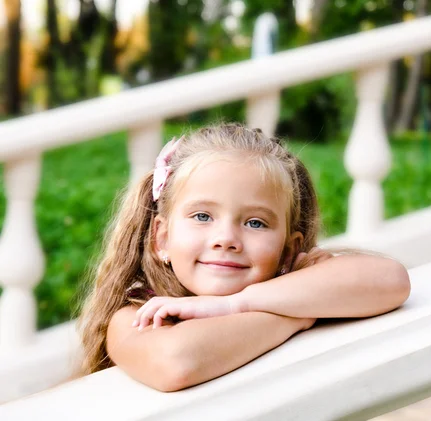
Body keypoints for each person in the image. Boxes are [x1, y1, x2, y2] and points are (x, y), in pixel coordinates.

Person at [78, 123, 410, 392]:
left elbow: (392, 280)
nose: (226, 239)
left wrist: (237, 304)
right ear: (161, 238)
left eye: (255, 223)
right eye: (203, 216)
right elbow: (176, 363)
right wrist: (300, 315)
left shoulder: (294, 285)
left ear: (289, 249)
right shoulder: (137, 317)